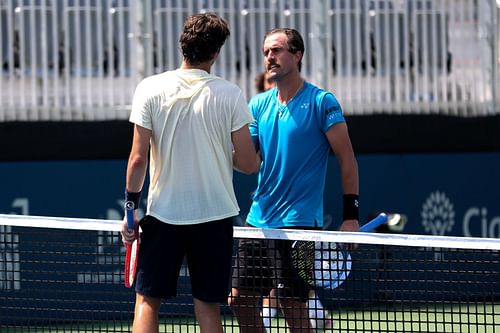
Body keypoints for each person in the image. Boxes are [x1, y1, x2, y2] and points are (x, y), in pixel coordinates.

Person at [121, 13, 259, 333]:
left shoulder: (149, 88)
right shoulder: (230, 94)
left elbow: (138, 159)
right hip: (215, 216)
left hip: (164, 215)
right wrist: (221, 153)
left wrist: (130, 209)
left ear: (183, 44)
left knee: (146, 302)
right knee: (208, 305)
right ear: (216, 52)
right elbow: (250, 165)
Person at [228, 28, 360, 333]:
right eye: (266, 52)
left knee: (291, 303)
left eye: (276, 50)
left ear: (297, 55)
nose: (269, 58)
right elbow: (248, 162)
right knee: (239, 300)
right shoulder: (258, 105)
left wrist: (351, 216)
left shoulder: (322, 102)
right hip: (258, 221)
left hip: (298, 225)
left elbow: (347, 159)